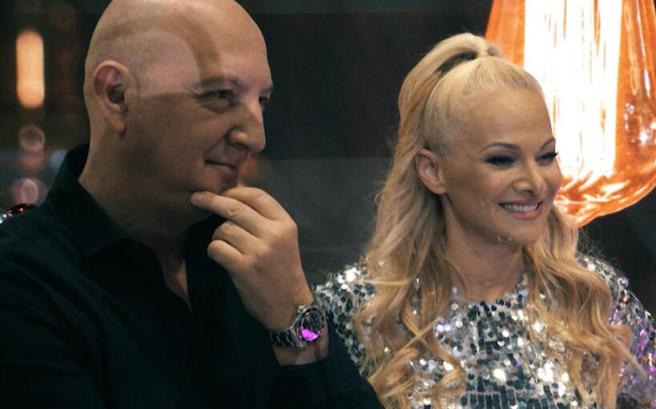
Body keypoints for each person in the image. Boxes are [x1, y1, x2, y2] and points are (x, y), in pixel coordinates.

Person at [0, 0, 381, 408]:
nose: (256, 137)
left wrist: (295, 315)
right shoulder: (21, 280)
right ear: (116, 96)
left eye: (262, 102)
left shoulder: (254, 263)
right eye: (221, 95)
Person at [315, 33, 656, 408]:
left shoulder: (592, 299)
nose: (535, 182)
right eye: (502, 160)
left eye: (546, 156)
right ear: (432, 171)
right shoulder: (359, 310)